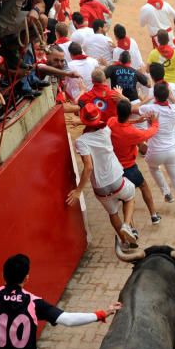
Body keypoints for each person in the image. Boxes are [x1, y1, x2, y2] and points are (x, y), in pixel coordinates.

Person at [67, 103, 142, 246]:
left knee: (113, 213)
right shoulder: (106, 131)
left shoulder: (81, 142)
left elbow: (88, 167)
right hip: (116, 179)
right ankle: (127, 225)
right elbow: (105, 123)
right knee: (130, 197)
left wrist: (78, 191)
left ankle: (125, 242)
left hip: (100, 187)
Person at [138, 82, 175, 219]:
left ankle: (165, 191)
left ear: (155, 96)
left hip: (155, 152)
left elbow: (133, 108)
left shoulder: (149, 108)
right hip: (172, 152)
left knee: (153, 168)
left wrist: (146, 99)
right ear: (167, 96)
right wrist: (172, 96)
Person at [108, 98, 161, 225]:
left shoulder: (111, 122)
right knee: (143, 186)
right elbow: (149, 133)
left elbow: (119, 122)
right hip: (129, 168)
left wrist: (137, 120)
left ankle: (131, 227)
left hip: (114, 168)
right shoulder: (132, 132)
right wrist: (155, 123)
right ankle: (154, 215)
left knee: (125, 198)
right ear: (129, 113)